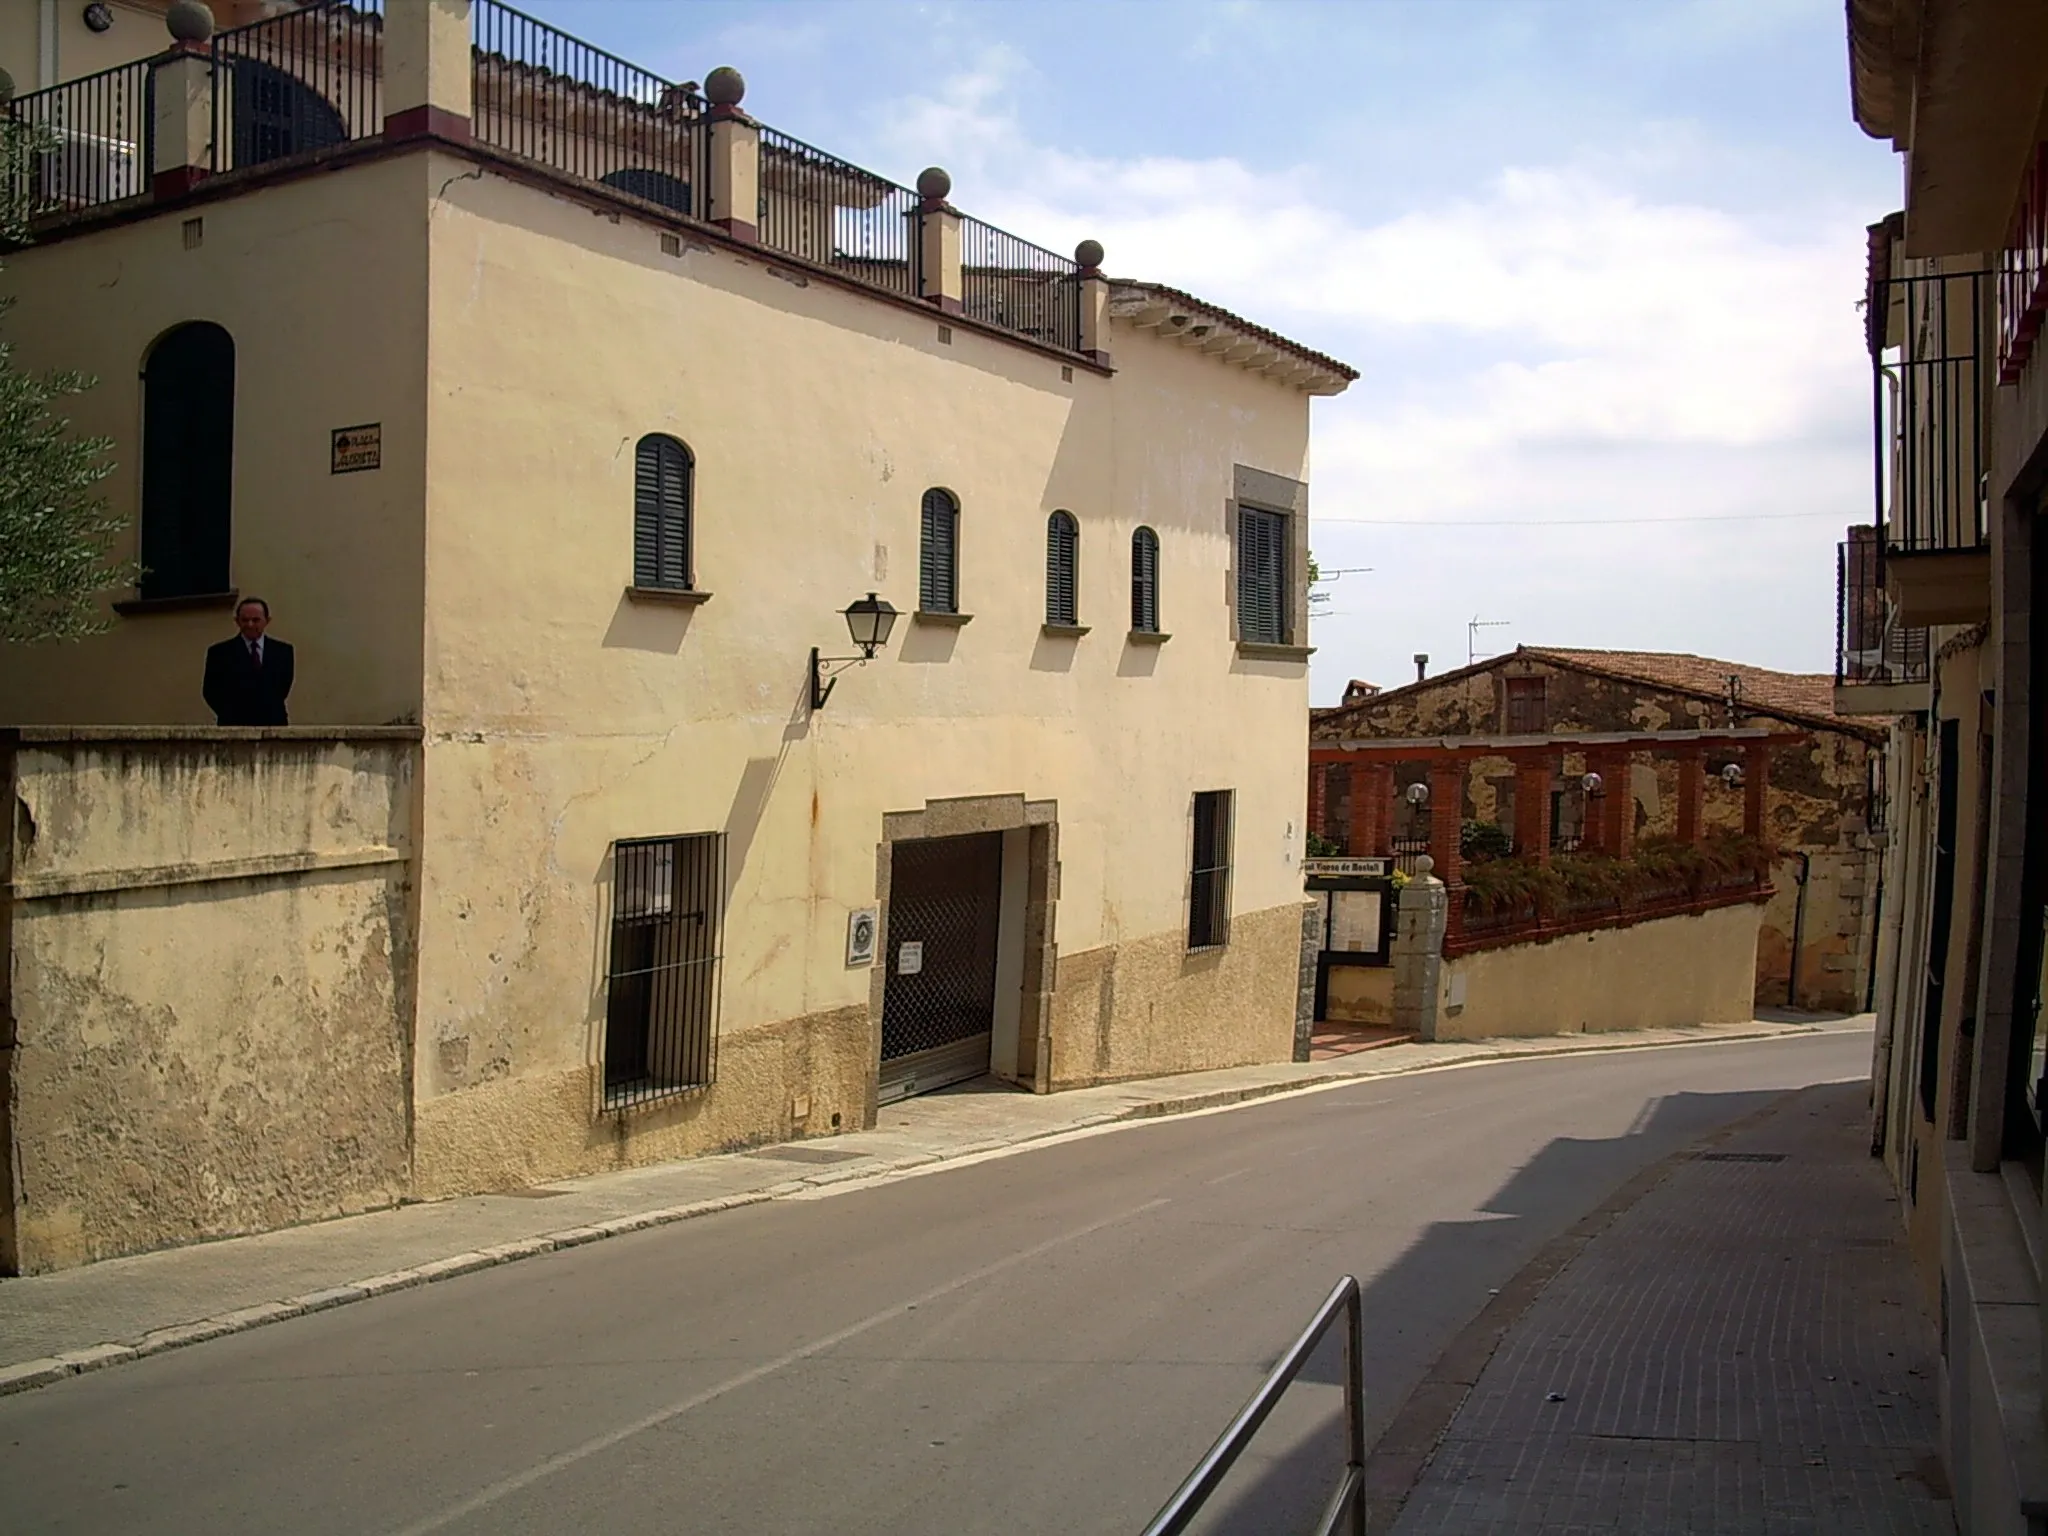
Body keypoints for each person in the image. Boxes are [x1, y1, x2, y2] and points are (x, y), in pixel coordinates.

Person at [202, 598, 295, 726]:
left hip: (273, 724)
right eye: (245, 620)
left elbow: (283, 687)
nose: (250, 625)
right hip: (233, 726)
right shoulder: (219, 653)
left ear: (267, 621)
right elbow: (211, 691)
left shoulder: (283, 652)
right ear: (237, 621)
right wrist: (231, 713)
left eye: (256, 620)